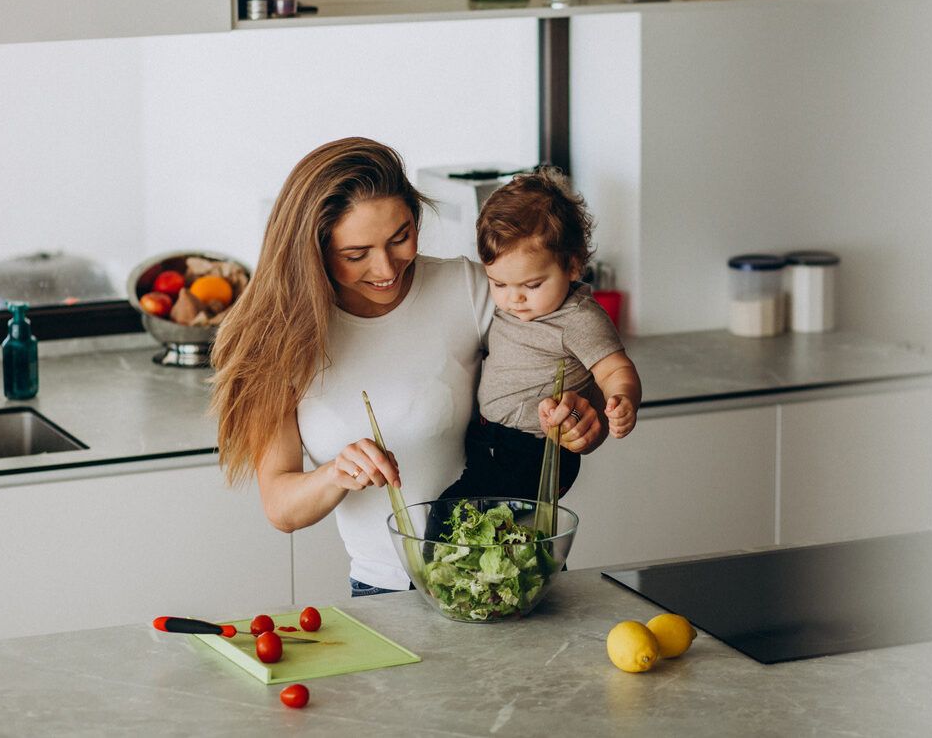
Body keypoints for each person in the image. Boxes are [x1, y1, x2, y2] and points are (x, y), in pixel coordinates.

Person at [208, 137, 603, 597]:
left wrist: (581, 415)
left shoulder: (470, 290)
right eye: (356, 255)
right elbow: (281, 508)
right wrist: (336, 473)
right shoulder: (277, 344)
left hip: (515, 572)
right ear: (310, 249)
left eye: (401, 237)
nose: (386, 268)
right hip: (386, 592)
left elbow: (574, 362)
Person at [436, 167, 642, 507]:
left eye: (532, 285)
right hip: (489, 438)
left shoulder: (578, 318)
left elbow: (615, 370)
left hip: (532, 450)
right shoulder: (510, 305)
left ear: (573, 266)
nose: (513, 298)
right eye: (499, 284)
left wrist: (623, 400)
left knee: (450, 517)